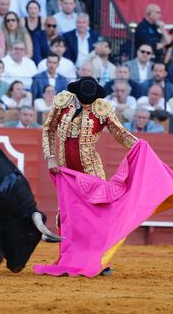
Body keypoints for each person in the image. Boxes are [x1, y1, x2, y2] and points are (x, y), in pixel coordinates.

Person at [38, 77, 138, 276]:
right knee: (66, 216)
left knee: (99, 215)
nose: (86, 103)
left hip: (91, 169)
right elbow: (48, 129)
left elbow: (120, 134)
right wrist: (50, 157)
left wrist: (139, 146)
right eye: (83, 99)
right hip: (67, 171)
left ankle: (102, 261)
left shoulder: (102, 108)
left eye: (89, 100)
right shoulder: (63, 102)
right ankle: (69, 257)